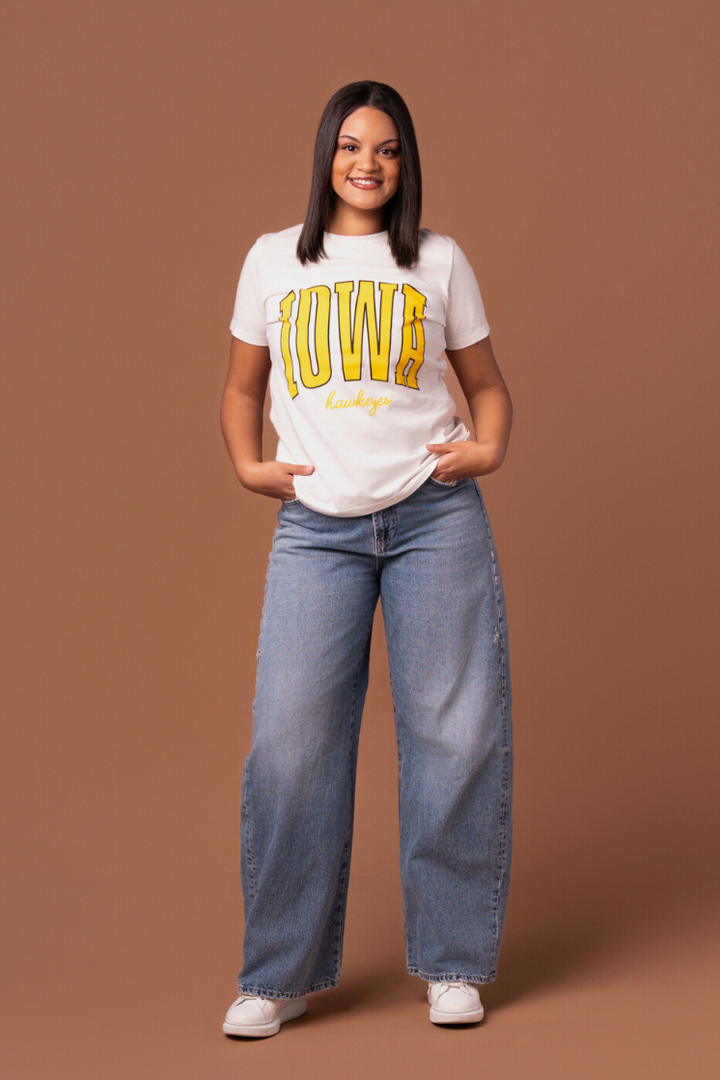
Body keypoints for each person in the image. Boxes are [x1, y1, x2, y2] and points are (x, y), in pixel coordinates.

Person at [219, 80, 513, 1038]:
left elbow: (488, 389)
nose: (368, 164)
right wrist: (250, 466)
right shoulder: (273, 260)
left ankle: (454, 963)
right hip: (318, 529)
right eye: (352, 147)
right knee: (291, 748)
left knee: (455, 738)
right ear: (326, 156)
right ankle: (278, 974)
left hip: (436, 519)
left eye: (386, 149)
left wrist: (487, 449)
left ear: (406, 161)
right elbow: (240, 387)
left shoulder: (438, 259)